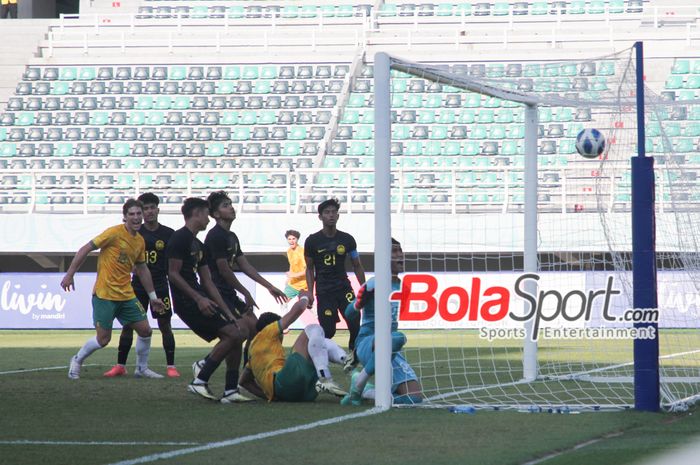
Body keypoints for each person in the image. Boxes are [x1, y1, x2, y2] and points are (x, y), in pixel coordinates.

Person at [61, 199, 165, 380]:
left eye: (138, 214)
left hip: (126, 295)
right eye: (131, 214)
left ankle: (141, 368)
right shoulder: (113, 233)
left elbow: (142, 268)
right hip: (105, 294)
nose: (136, 217)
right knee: (103, 340)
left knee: (146, 331)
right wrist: (70, 274)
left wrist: (153, 296)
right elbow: (86, 248)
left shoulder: (140, 241)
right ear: (124, 217)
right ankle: (77, 360)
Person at [166, 197, 252, 403]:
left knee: (238, 332)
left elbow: (208, 282)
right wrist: (198, 299)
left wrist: (228, 312)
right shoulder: (180, 238)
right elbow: (173, 274)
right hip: (188, 302)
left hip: (200, 298)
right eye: (206, 214)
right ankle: (200, 380)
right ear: (196, 214)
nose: (208, 218)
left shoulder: (198, 244)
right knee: (233, 334)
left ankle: (230, 389)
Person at [203, 191, 287, 395]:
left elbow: (245, 265)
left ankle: (240, 380)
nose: (231, 207)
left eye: (230, 203)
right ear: (215, 214)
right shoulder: (215, 236)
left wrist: (269, 286)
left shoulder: (231, 236)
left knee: (254, 329)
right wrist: (245, 292)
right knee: (241, 331)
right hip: (217, 293)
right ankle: (213, 371)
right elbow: (223, 270)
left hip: (228, 292)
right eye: (225, 205)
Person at [104, 193, 178, 378]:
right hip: (136, 286)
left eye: (153, 207)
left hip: (160, 285)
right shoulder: (135, 234)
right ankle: (120, 365)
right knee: (128, 325)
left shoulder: (169, 234)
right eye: (146, 208)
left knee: (164, 325)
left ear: (158, 210)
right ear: (141, 212)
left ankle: (171, 366)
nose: (149, 211)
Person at [340, 239, 422, 406]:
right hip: (367, 342)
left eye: (400, 250)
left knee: (414, 398)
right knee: (398, 337)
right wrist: (358, 304)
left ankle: (368, 391)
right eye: (394, 251)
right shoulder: (373, 283)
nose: (400, 255)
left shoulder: (403, 287)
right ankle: (358, 386)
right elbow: (349, 314)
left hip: (389, 345)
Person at [239, 291, 348, 402]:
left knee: (319, 344)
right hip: (291, 383)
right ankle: (332, 372)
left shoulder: (253, 354)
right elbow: (298, 309)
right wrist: (304, 297)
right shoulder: (267, 332)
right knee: (313, 328)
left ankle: (354, 379)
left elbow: (243, 382)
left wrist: (269, 396)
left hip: (290, 394)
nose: (282, 335)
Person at [304, 198, 366, 368]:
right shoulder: (312, 241)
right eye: (327, 212)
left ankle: (354, 353)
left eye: (333, 212)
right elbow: (309, 269)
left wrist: (364, 287)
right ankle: (317, 356)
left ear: (338, 216)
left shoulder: (347, 240)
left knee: (354, 321)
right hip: (324, 291)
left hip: (343, 287)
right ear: (320, 217)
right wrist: (310, 292)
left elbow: (357, 265)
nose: (331, 215)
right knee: (328, 331)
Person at [283, 229, 308, 300]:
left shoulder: (302, 252)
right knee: (283, 302)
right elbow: (292, 265)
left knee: (309, 305)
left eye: (294, 239)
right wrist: (289, 278)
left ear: (297, 239)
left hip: (304, 285)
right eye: (289, 239)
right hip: (292, 284)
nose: (291, 241)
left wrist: (294, 275)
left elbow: (307, 270)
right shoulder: (289, 251)